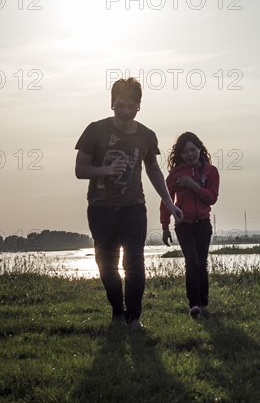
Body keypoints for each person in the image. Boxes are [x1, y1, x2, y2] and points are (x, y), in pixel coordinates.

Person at [75, 77, 183, 331]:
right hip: (101, 208)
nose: (125, 111)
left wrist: (169, 203)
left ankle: (134, 318)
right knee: (106, 265)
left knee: (134, 261)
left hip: (133, 207)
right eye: (120, 105)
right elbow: (80, 169)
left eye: (131, 106)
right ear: (112, 104)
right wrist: (106, 170)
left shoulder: (146, 135)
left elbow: (154, 170)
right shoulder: (95, 130)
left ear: (139, 107)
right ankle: (117, 309)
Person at [160, 132, 220, 319]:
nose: (190, 154)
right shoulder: (176, 174)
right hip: (184, 225)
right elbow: (166, 201)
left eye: (193, 149)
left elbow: (211, 199)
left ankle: (203, 300)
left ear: (200, 149)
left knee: (201, 263)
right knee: (191, 262)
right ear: (180, 154)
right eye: (185, 151)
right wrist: (165, 226)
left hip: (203, 224)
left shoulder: (211, 171)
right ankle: (193, 304)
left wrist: (193, 185)